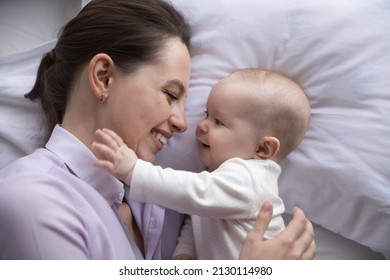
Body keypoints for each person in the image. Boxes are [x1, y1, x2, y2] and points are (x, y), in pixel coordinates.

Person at [0, 0, 315, 260]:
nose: (183, 123)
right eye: (170, 94)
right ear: (104, 77)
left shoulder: (164, 207)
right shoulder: (32, 200)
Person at [92, 68, 311, 259]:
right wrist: (185, 251)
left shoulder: (250, 179)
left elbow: (194, 194)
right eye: (206, 114)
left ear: (263, 149)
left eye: (218, 121)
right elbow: (198, 214)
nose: (202, 126)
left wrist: (134, 171)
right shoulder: (219, 179)